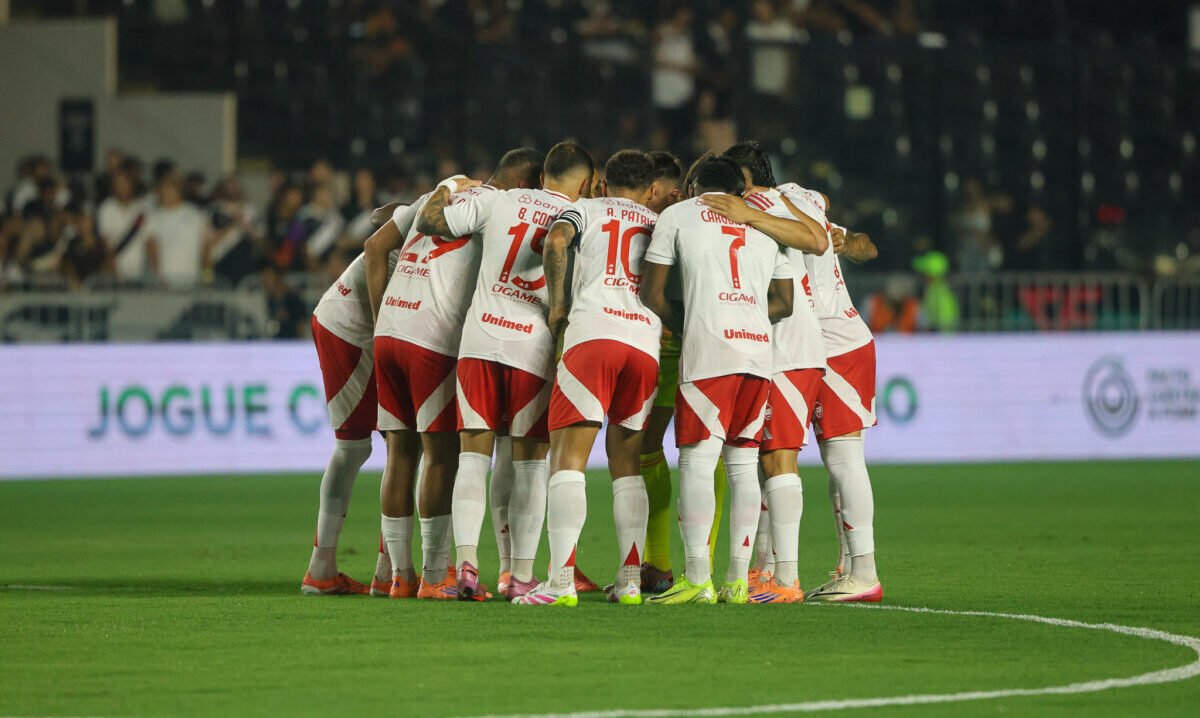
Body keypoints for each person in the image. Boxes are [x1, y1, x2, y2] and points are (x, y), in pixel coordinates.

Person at [416, 141, 595, 601]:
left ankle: (467, 565)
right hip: (531, 347)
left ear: (542, 176)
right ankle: (519, 575)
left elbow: (431, 222)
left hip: (478, 339)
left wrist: (447, 187)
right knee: (530, 464)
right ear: (585, 183)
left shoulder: (501, 199)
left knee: (473, 458)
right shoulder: (581, 217)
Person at [366, 148, 544, 601]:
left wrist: (382, 320)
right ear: (529, 184)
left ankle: (398, 576)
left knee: (399, 454)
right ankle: (435, 575)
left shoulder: (437, 197)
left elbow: (375, 241)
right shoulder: (499, 207)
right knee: (441, 456)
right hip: (433, 337)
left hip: (390, 328)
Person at [640, 156, 795, 605]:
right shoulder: (762, 224)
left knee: (697, 462)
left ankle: (696, 579)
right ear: (739, 191)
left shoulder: (678, 214)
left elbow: (651, 293)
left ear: (693, 185)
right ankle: (737, 581)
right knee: (743, 465)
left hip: (709, 353)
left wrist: (691, 322)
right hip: (757, 353)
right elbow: (784, 302)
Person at [513, 150, 661, 607]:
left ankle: (560, 582)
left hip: (593, 336)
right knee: (628, 465)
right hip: (644, 344)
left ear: (602, 182)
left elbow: (557, 240)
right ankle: (630, 580)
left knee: (568, 459)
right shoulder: (659, 222)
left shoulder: (586, 208)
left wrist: (558, 307)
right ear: (652, 190)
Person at [718, 141, 830, 603]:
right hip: (779, 349)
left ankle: (787, 579)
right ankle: (766, 572)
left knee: (777, 459)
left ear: (744, 179)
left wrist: (750, 212)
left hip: (789, 348)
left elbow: (817, 241)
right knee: (767, 461)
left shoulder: (761, 205)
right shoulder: (771, 205)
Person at [776, 181, 885, 603]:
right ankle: (849, 566)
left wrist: (847, 242)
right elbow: (864, 244)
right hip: (820, 345)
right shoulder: (798, 208)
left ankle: (865, 573)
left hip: (836, 346)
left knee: (843, 459)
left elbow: (866, 246)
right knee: (831, 461)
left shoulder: (779, 211)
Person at [300, 205, 402, 596]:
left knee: (393, 445)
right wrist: (382, 327)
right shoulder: (467, 205)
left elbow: (379, 216)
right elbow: (376, 231)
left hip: (352, 323)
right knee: (387, 445)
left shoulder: (457, 203)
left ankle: (360, 569)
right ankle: (370, 571)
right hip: (352, 329)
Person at [143, 174, 211, 287]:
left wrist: (207, 277)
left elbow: (206, 248)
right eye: (163, 190)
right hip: (163, 284)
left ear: (179, 191)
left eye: (170, 189)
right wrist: (159, 277)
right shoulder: (153, 218)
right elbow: (151, 249)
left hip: (192, 281)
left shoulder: (196, 215)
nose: (166, 194)